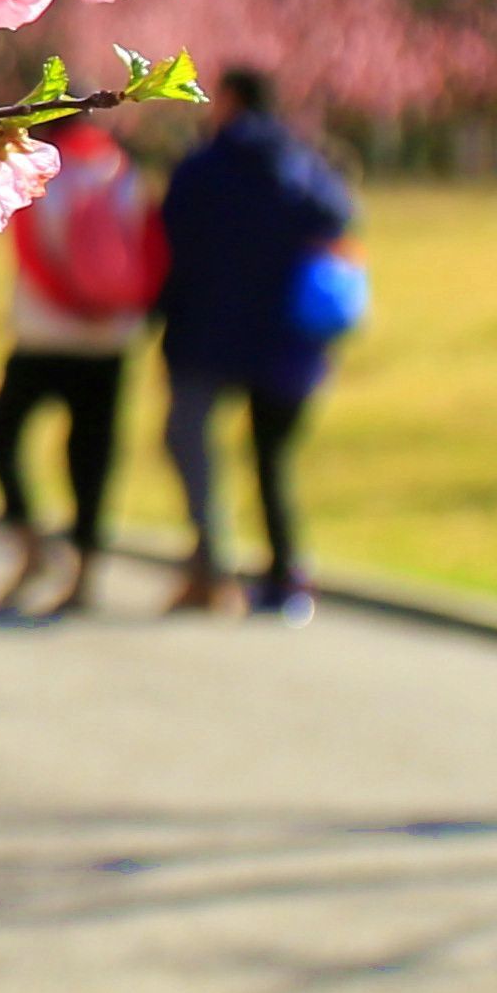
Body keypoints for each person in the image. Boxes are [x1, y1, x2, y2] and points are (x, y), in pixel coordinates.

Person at [151, 69, 360, 621]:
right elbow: (339, 219)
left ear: (230, 101)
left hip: (204, 333)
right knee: (271, 460)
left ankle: (212, 561)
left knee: (188, 440)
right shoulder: (302, 163)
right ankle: (284, 575)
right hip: (284, 341)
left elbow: (169, 238)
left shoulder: (201, 167)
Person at [0, 112, 159, 615]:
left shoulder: (37, 171)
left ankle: (30, 542)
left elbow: (29, 252)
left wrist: (71, 302)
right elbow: (151, 248)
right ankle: (85, 570)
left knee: (2, 434)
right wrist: (120, 305)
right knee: (92, 457)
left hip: (45, 335)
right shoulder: (123, 169)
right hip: (111, 338)